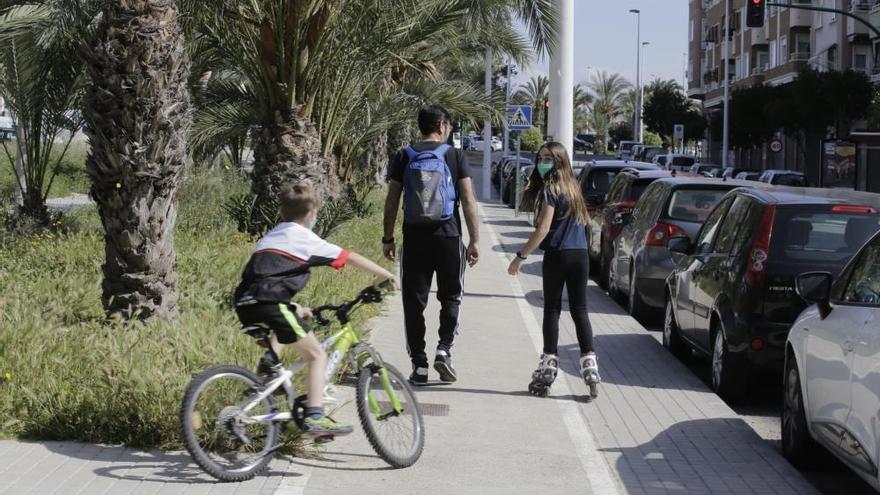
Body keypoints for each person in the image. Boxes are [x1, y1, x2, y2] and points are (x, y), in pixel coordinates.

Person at [234, 183, 397, 436]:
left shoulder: (269, 237)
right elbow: (349, 257)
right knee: (317, 356)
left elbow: (266, 278)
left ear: (281, 213)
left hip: (245, 301)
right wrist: (384, 274)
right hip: (270, 302)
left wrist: (296, 307)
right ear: (312, 214)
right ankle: (314, 417)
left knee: (290, 319)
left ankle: (267, 371)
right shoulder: (307, 240)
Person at [383, 105, 480, 385]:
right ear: (442, 126)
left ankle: (419, 366)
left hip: (414, 238)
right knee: (451, 296)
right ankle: (444, 349)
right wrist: (474, 240)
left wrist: (388, 238)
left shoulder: (404, 155)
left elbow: (392, 202)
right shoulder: (454, 155)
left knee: (413, 303)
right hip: (449, 237)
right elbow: (469, 200)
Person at [507, 142, 600, 397]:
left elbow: (543, 229)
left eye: (547, 158)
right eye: (540, 158)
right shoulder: (574, 188)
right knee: (580, 311)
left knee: (552, 309)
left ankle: (549, 364)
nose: (542, 162)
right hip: (580, 256)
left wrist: (520, 257)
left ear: (559, 160)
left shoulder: (551, 188)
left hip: (557, 256)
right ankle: (590, 364)